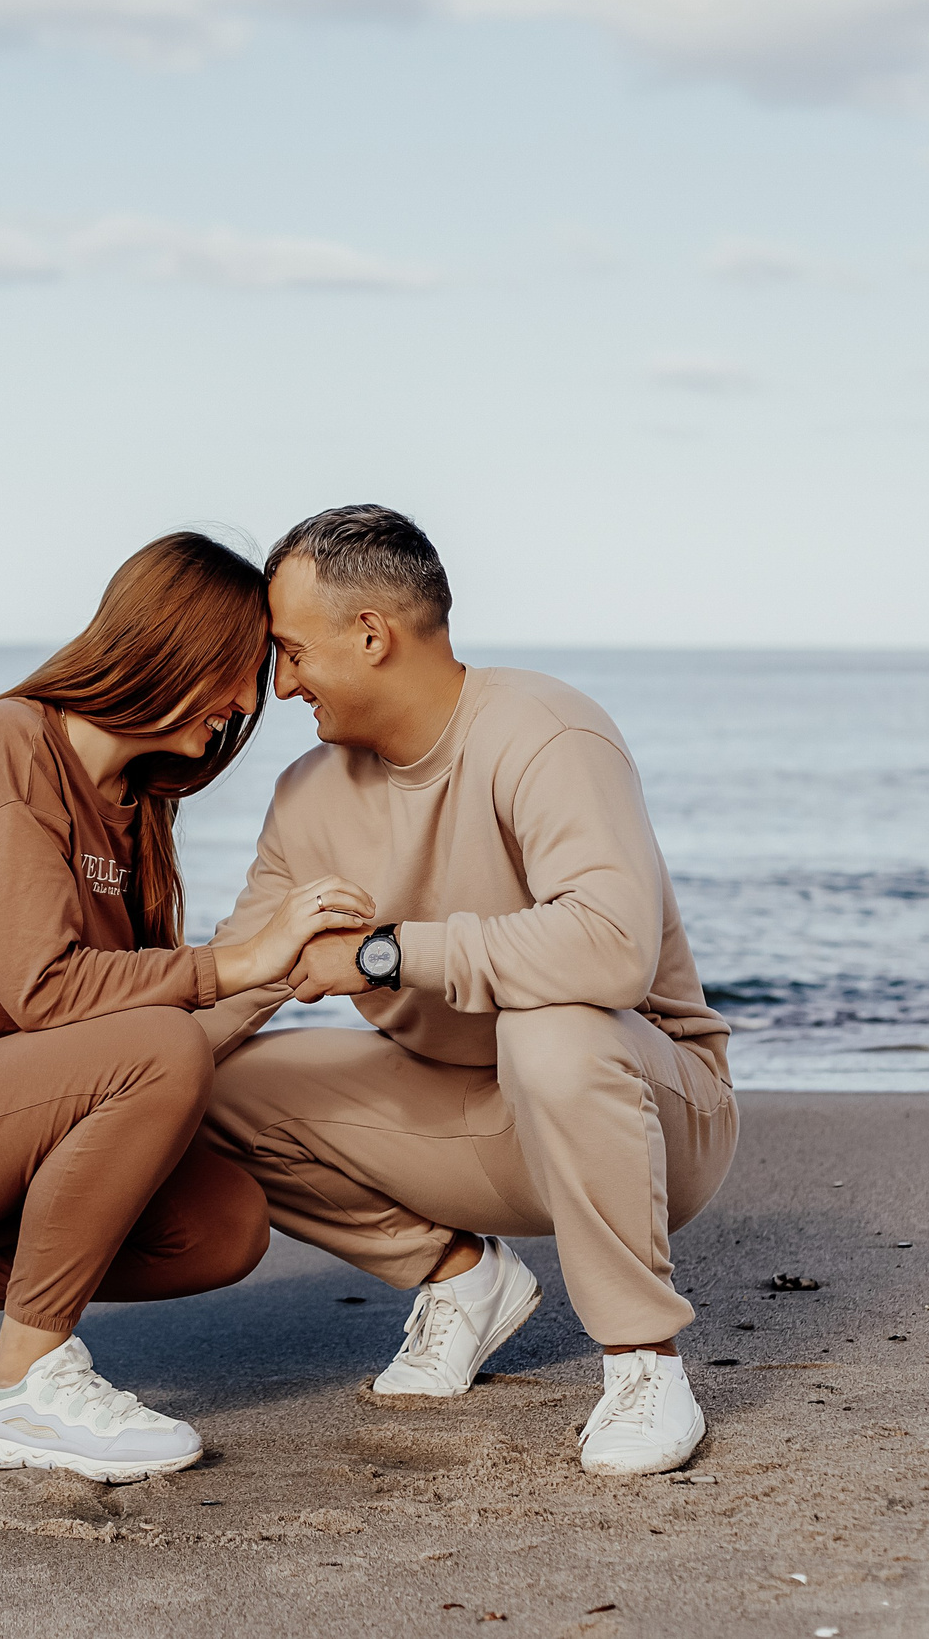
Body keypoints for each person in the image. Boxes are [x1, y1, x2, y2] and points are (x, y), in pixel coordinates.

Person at [0, 531, 378, 1483]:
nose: (251, 704)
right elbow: (47, 991)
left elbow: (152, 1024)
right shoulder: (3, 743)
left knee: (220, 1223)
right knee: (160, 1050)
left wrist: (293, 968)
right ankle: (25, 1386)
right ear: (170, 644)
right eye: (241, 670)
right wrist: (238, 955)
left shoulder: (137, 810)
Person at [197, 505, 738, 1477]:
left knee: (553, 1026)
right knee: (209, 1079)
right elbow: (239, 976)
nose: (280, 684)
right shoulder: (307, 794)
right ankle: (459, 1279)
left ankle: (643, 1363)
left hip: (651, 1113)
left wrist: (382, 954)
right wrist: (65, 1074)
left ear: (371, 636)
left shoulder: (544, 729)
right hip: (463, 1109)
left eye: (290, 650)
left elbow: (609, 947)